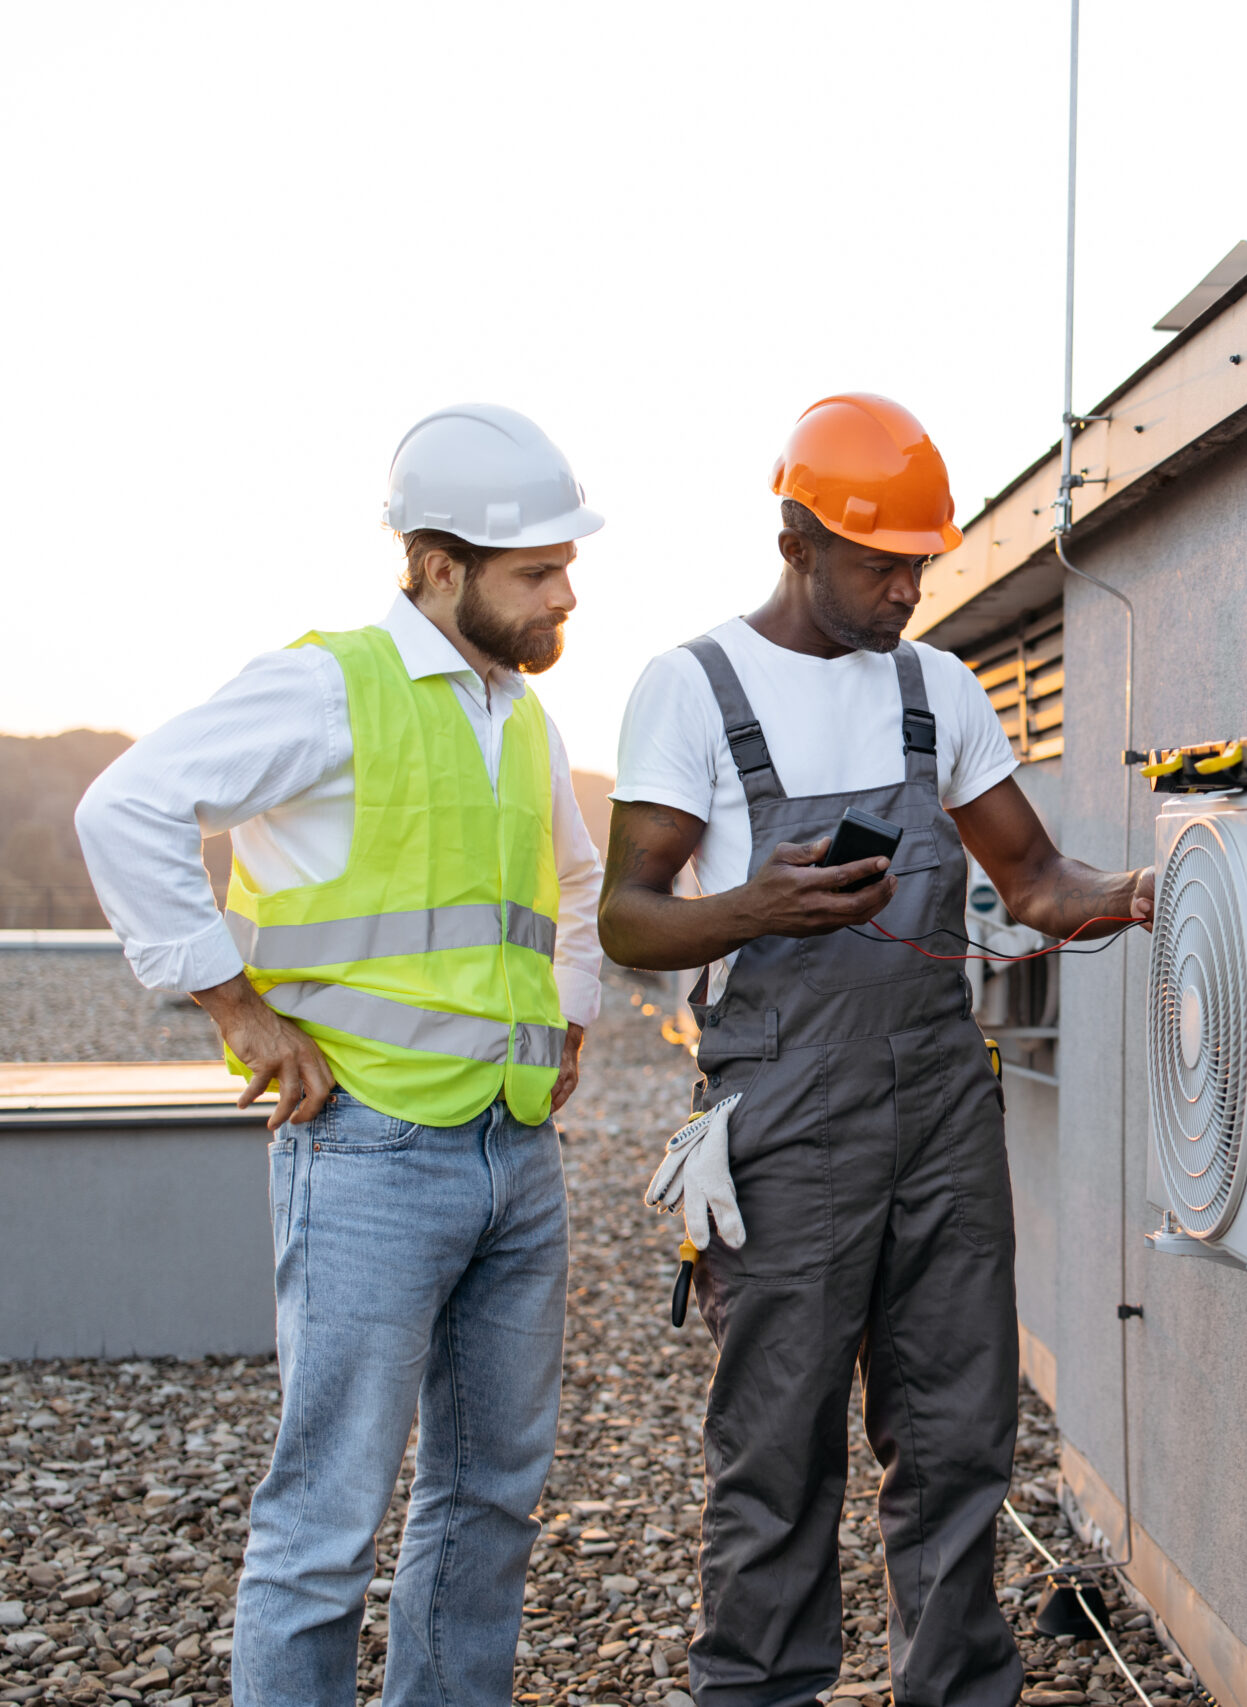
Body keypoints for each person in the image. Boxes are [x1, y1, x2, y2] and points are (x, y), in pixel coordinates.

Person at [601, 393, 1151, 1707]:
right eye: (880, 563)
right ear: (798, 539)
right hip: (784, 1119)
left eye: (921, 564)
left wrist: (1159, 888)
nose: (907, 588)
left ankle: (958, 1689)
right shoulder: (693, 689)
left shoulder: (937, 688)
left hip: (944, 1115)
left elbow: (1033, 882)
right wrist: (758, 906)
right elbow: (627, 917)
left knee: (960, 1437)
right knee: (778, 1455)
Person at [75, 403, 608, 1707]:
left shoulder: (520, 716)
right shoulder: (330, 687)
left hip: (513, 1156)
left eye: (566, 567)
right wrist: (236, 1010)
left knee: (489, 1504)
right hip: (368, 1154)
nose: (566, 596)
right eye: (538, 572)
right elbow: (125, 806)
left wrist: (573, 1014)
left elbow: (576, 882)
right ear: (438, 566)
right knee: (322, 1528)